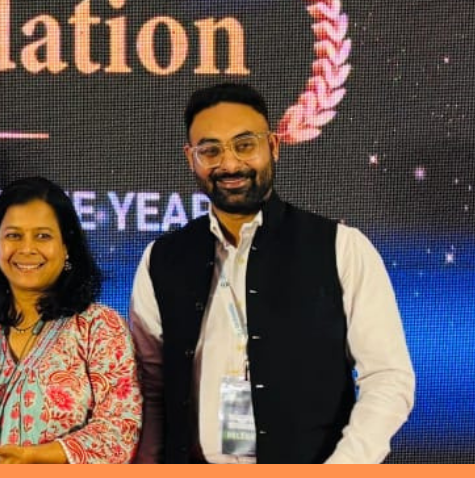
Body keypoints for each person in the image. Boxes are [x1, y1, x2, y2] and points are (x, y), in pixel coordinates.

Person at [130, 82, 415, 463]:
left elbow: (388, 379)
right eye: (210, 150)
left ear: (273, 146)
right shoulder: (161, 259)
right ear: (190, 158)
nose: (230, 164)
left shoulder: (342, 248)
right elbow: (149, 388)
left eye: (245, 145)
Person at [0, 176, 142, 464]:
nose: (26, 249)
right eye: (14, 236)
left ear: (67, 246)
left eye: (43, 236)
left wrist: (36, 458)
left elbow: (120, 431)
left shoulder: (99, 327)